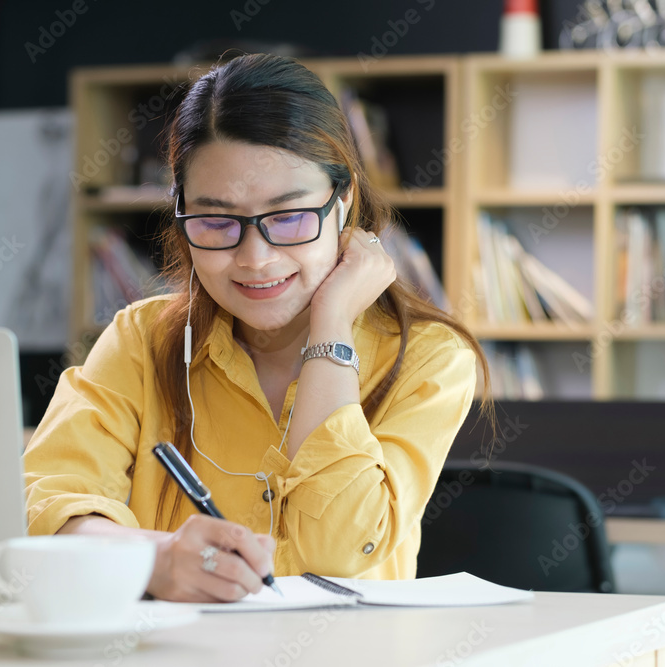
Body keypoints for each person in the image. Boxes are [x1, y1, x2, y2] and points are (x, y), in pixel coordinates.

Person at [24, 53, 489, 603]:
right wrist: (154, 560)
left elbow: (336, 549)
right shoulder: (140, 342)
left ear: (344, 206)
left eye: (289, 217)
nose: (255, 258)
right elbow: (49, 511)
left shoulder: (428, 356)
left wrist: (331, 329)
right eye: (216, 221)